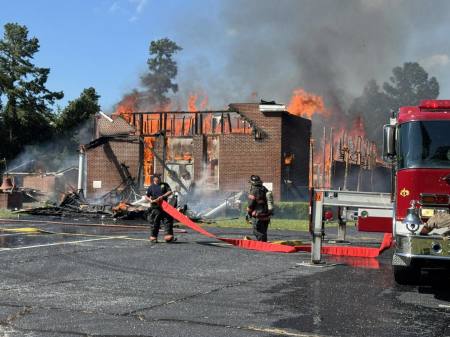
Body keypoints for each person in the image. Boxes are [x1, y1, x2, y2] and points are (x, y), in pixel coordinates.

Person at [145, 174, 175, 243]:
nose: (159, 179)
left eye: (159, 178)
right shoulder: (151, 187)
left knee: (168, 220)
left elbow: (170, 192)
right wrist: (151, 200)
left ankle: (168, 236)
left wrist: (162, 196)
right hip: (155, 207)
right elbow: (146, 196)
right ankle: (153, 237)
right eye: (157, 178)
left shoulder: (164, 185)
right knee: (155, 222)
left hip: (164, 206)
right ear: (154, 179)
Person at [246, 175, 272, 242]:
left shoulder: (254, 191)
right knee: (263, 232)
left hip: (258, 216)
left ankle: (263, 245)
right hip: (266, 216)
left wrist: (248, 214)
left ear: (252, 183)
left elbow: (250, 205)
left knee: (258, 232)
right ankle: (264, 243)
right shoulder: (264, 189)